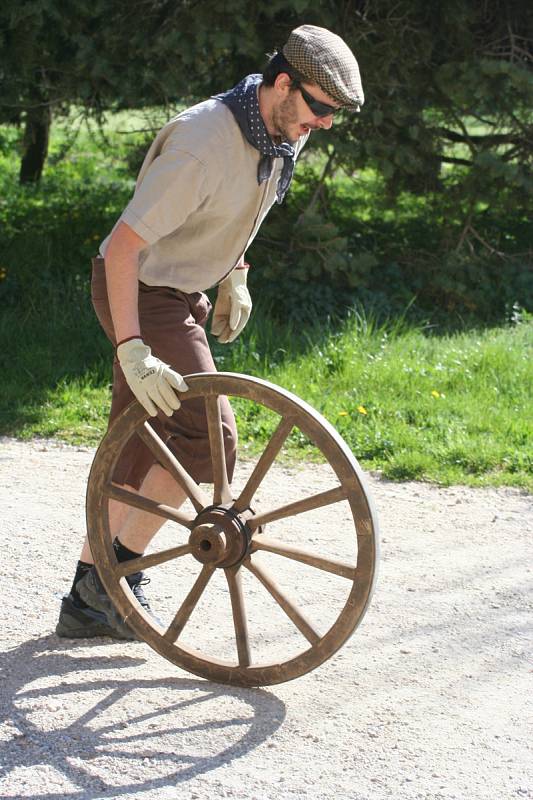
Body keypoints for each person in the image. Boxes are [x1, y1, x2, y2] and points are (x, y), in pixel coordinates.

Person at [55, 24, 364, 639]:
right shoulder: (203, 143)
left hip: (179, 289)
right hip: (141, 291)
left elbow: (242, 209)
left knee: (140, 441)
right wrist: (132, 346)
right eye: (321, 108)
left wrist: (235, 274)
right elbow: (121, 249)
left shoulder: (280, 131)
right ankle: (118, 576)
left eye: (333, 115)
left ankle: (91, 596)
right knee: (208, 439)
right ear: (283, 84)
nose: (325, 124)